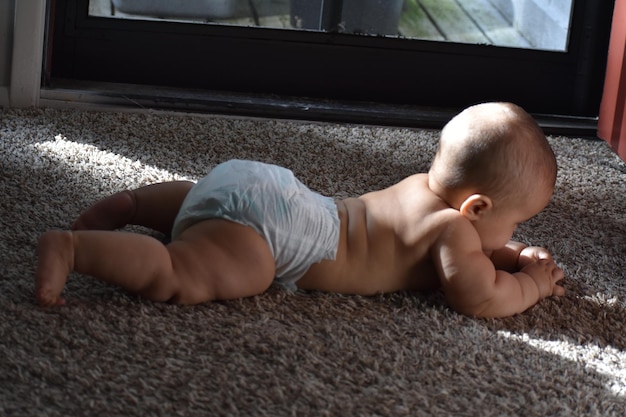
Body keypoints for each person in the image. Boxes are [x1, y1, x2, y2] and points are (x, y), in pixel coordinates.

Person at [35, 102, 565, 318]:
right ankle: (76, 249)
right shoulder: (453, 229)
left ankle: (133, 203)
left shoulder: (423, 190)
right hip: (278, 240)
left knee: (208, 202)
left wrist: (514, 250)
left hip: (268, 188)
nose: (513, 234)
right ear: (476, 206)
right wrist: (531, 285)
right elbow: (476, 294)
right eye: (516, 222)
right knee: (183, 273)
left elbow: (479, 245)